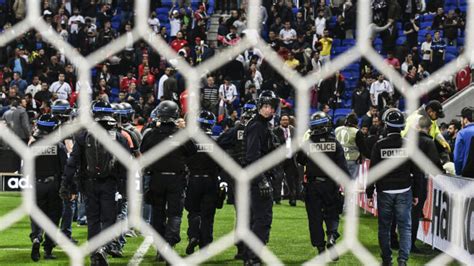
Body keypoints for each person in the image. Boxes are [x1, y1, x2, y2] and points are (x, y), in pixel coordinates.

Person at [60, 100, 129, 266]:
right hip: (110, 184)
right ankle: (103, 249)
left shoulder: (83, 136)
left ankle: (94, 253)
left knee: (92, 220)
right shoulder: (118, 136)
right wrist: (125, 189)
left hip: (89, 184)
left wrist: (65, 183)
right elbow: (126, 165)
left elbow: (72, 163)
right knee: (108, 219)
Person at [140, 100, 197, 262]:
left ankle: (160, 248)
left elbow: (143, 149)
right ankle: (169, 244)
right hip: (176, 179)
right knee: (174, 213)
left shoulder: (151, 134)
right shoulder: (181, 134)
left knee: (157, 213)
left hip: (156, 178)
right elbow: (192, 151)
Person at [366, 108, 423, 266]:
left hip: (385, 191)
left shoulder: (379, 145)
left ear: (386, 126)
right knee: (405, 227)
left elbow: (373, 172)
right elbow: (417, 172)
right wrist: (417, 193)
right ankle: (403, 260)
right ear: (402, 126)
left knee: (384, 227)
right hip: (404, 191)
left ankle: (386, 260)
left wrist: (369, 194)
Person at [296, 111, 348, 261]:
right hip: (331, 185)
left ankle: (320, 247)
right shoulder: (334, 143)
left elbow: (300, 160)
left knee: (315, 217)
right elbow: (342, 167)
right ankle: (332, 236)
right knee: (332, 213)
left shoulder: (308, 142)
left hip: (313, 185)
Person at [242, 90, 279, 265]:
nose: (268, 110)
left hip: (256, 178)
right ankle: (253, 257)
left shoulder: (263, 125)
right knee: (262, 219)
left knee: (254, 219)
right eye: (265, 106)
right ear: (259, 107)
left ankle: (250, 255)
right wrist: (262, 179)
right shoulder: (257, 125)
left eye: (271, 107)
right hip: (258, 180)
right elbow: (252, 156)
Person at [29, 114, 68, 262]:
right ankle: (48, 249)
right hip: (54, 185)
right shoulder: (59, 146)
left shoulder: (33, 145)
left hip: (36, 184)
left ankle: (36, 238)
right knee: (53, 217)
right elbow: (65, 168)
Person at [185, 111, 222, 255]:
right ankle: (205, 245)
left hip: (194, 179)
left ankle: (193, 235)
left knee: (193, 211)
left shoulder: (190, 140)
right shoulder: (216, 140)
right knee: (208, 215)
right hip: (211, 180)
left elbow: (184, 159)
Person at [273, 114, 299, 206]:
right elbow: (273, 143)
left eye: (286, 120)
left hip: (291, 158)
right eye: (283, 120)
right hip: (280, 158)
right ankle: (277, 198)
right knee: (278, 179)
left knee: (291, 180)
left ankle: (293, 199)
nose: (285, 121)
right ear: (280, 121)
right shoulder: (275, 131)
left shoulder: (293, 130)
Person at [335, 113, 361, 179]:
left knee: (338, 181)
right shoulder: (356, 131)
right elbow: (362, 147)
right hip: (352, 159)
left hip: (339, 159)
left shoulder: (337, 129)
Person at [454, 106, 474, 177]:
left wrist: (458, 173)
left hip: (468, 174)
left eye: (461, 118)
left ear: (465, 119)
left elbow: (458, 158)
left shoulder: (462, 133)